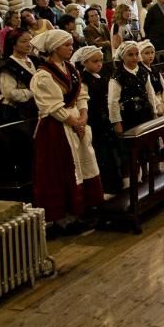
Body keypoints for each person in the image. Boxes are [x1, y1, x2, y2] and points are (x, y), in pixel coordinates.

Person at [28, 29, 104, 237]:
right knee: (61, 170)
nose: (71, 49)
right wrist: (74, 122)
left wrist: (83, 116)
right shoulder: (43, 75)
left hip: (75, 122)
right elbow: (51, 106)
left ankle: (81, 210)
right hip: (56, 128)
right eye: (67, 45)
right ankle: (62, 217)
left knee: (82, 163)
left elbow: (81, 94)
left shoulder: (70, 68)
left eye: (71, 45)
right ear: (54, 48)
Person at [108, 41, 161, 186]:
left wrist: (155, 111)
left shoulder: (142, 71)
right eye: (130, 55)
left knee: (147, 144)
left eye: (136, 54)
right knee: (132, 149)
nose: (134, 58)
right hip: (129, 116)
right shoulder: (118, 76)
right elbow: (113, 101)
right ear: (122, 57)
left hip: (144, 113)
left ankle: (148, 172)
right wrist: (116, 121)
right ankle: (133, 178)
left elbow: (150, 93)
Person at [72, 45, 121, 195]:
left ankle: (114, 185)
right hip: (94, 119)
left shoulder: (101, 77)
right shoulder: (84, 80)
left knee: (110, 153)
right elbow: (84, 101)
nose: (99, 64)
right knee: (100, 154)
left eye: (100, 61)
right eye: (95, 61)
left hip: (104, 118)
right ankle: (104, 187)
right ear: (85, 63)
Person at [0, 28, 37, 122]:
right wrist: (34, 92)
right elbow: (10, 93)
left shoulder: (35, 60)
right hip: (16, 112)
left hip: (35, 108)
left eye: (30, 40)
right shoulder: (8, 66)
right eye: (24, 41)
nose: (29, 44)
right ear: (13, 44)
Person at [138, 40, 164, 116]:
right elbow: (149, 92)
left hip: (161, 100)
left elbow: (163, 87)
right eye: (147, 53)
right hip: (153, 104)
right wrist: (158, 107)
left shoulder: (155, 70)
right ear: (140, 55)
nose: (150, 56)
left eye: (152, 52)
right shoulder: (141, 72)